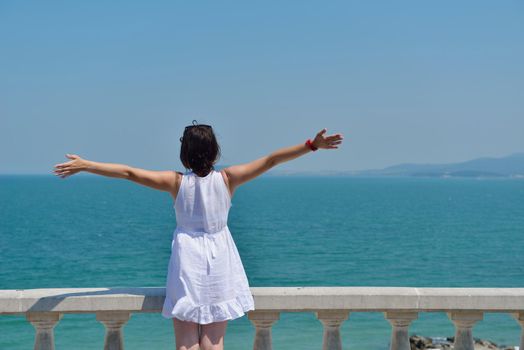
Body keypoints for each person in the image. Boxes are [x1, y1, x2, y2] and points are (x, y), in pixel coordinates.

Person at [53, 121, 343, 350]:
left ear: (185, 154)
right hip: (220, 262)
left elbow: (129, 173)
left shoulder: (175, 182)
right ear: (215, 151)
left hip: (187, 261)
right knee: (214, 343)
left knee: (186, 344)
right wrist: (311, 146)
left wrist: (87, 164)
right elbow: (270, 161)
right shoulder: (228, 179)